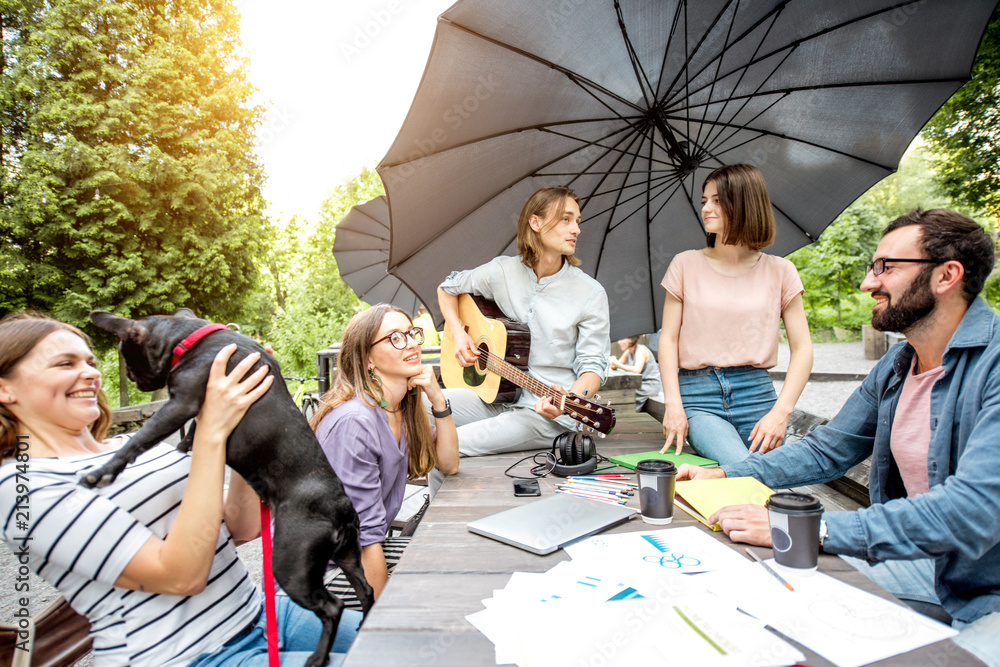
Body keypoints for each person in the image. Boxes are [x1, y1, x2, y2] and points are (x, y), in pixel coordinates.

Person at [677, 209, 1000, 666]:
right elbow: (829, 448)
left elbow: (973, 512)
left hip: (988, 591)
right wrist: (726, 474)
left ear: (947, 275)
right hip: (922, 563)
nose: (869, 283)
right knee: (761, 594)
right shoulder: (898, 365)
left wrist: (812, 528)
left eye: (885, 267)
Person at [0, 313, 362, 667]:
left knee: (408, 643)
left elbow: (242, 525)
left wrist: (250, 417)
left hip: (262, 614)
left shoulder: (134, 446)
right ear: (5, 388)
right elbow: (181, 575)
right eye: (65, 363)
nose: (91, 373)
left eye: (91, 361)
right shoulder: (25, 488)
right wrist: (210, 432)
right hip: (189, 655)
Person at [437, 186, 611, 457]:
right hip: (496, 394)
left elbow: (593, 365)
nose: (576, 229)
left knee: (446, 444)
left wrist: (567, 403)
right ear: (535, 222)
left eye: (577, 221)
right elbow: (447, 288)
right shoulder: (501, 271)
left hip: (543, 414)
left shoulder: (591, 293)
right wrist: (459, 333)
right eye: (565, 219)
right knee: (420, 403)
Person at [658, 163, 813, 465]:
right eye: (704, 200)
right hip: (698, 396)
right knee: (742, 467)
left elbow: (803, 348)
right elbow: (668, 340)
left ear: (742, 203)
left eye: (717, 200)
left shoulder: (781, 271)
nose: (706, 208)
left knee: (776, 477)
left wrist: (780, 414)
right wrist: (673, 404)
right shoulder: (685, 264)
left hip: (757, 394)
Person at [310, 304, 458, 606]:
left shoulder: (401, 410)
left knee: (451, 560)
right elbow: (364, 540)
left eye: (411, 334)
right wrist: (380, 626)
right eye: (395, 338)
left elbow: (449, 463)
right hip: (320, 578)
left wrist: (438, 399)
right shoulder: (355, 421)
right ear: (367, 359)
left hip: (363, 552)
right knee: (440, 589)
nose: (413, 343)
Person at [609, 336, 662, 411]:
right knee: (620, 392)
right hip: (640, 384)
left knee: (626, 394)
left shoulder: (641, 350)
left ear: (631, 339)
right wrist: (611, 362)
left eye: (622, 339)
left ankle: (626, 413)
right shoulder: (629, 351)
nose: (619, 342)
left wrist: (617, 364)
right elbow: (618, 364)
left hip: (649, 385)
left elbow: (637, 369)